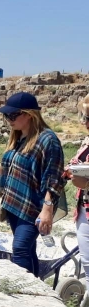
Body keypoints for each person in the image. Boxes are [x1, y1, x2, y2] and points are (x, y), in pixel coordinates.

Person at [0, 92, 64, 275]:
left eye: (12, 115)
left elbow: (54, 177)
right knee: (27, 250)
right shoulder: (18, 137)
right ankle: (36, 289)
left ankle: (24, 291)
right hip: (14, 204)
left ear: (29, 114)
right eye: (6, 115)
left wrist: (47, 208)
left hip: (33, 207)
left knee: (20, 249)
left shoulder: (48, 140)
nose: (8, 119)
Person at [67, 93, 89, 284]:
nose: (84, 123)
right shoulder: (87, 140)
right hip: (84, 210)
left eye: (88, 118)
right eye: (84, 117)